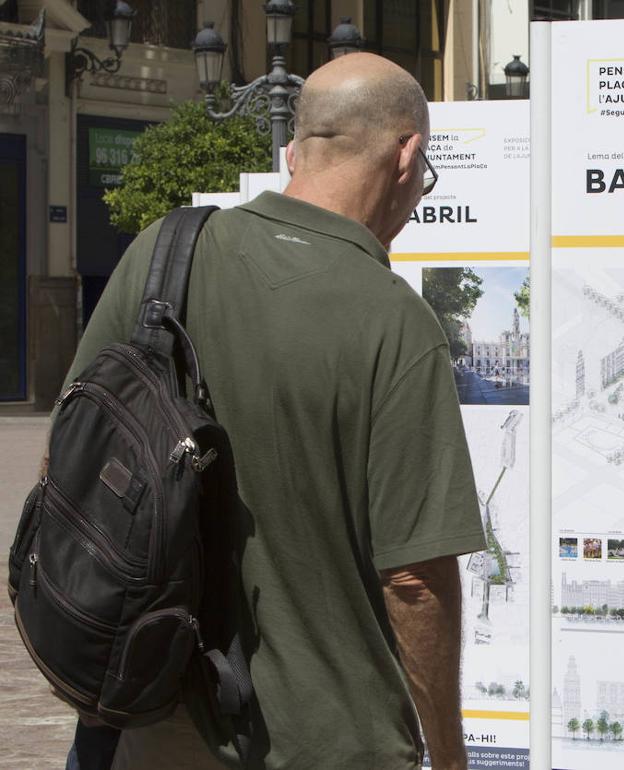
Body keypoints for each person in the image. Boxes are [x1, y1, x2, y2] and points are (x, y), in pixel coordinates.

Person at [58, 53, 484, 769]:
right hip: (327, 742)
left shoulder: (163, 256)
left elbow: (67, 455)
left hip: (153, 719)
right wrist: (448, 752)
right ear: (407, 156)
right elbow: (413, 580)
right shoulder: (395, 321)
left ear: (296, 148)